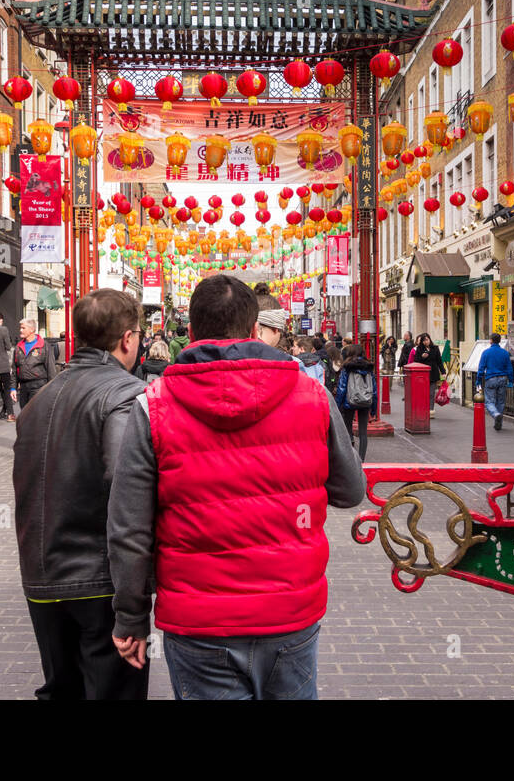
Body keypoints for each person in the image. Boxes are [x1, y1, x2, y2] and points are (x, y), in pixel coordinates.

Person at [107, 275, 365, 700]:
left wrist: (130, 617)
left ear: (190, 333)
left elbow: (129, 528)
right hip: (289, 611)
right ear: (252, 331)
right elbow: (351, 490)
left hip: (199, 623)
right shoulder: (311, 395)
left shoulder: (153, 405)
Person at [12, 289, 149, 700]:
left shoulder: (41, 399)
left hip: (42, 574)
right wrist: (133, 606)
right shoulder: (124, 395)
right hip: (98, 579)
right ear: (127, 338)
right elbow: (127, 495)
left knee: (62, 688)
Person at [336, 344, 375, 462]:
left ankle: (351, 458)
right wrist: (373, 407)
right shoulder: (368, 367)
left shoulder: (347, 367)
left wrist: (338, 405)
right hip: (366, 401)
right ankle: (362, 460)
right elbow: (374, 388)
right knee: (363, 432)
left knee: (348, 429)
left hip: (349, 401)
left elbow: (342, 388)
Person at [13, 318, 59, 411]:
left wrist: (52, 389)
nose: (20, 330)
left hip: (39, 386)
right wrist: (13, 388)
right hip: (23, 387)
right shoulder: (18, 347)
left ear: (32, 330)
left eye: (23, 328)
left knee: (35, 413)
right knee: (25, 413)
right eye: (20, 328)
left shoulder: (44, 346)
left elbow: (51, 369)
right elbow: (14, 369)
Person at [478, 333, 514, 431]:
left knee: (489, 401)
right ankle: (498, 423)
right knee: (501, 402)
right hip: (503, 379)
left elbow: (481, 368)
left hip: (490, 379)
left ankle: (496, 414)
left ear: (491, 340)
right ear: (499, 341)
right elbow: (509, 368)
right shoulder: (505, 353)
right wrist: (511, 380)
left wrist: (478, 381)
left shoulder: (486, 353)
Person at [410, 333, 446, 418]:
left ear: (430, 339)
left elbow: (439, 362)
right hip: (423, 375)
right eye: (424, 340)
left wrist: (443, 372)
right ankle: (423, 409)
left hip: (433, 373)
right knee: (423, 393)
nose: (426, 341)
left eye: (427, 339)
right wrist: (422, 357)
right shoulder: (419, 349)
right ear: (422, 342)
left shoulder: (435, 348)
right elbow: (416, 361)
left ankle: (431, 411)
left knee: (431, 393)